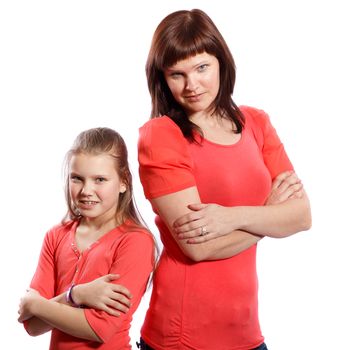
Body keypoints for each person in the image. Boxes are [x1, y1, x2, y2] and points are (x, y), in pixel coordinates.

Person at [137, 9, 312, 350]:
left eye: (202, 67)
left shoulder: (257, 123)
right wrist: (271, 216)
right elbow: (198, 247)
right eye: (177, 74)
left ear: (221, 62)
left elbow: (302, 216)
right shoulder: (161, 135)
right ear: (162, 78)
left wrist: (230, 217)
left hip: (246, 332)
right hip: (182, 335)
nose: (192, 86)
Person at [18, 127, 155, 350]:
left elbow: (100, 328)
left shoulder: (135, 241)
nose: (86, 190)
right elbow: (32, 325)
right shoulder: (56, 236)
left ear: (123, 182)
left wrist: (36, 304)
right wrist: (76, 295)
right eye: (77, 179)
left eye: (100, 179)